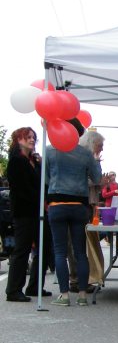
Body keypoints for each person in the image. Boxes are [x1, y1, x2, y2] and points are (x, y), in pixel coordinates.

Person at [45, 134, 102, 306]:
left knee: (60, 252)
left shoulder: (49, 150)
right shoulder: (84, 153)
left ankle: (64, 295)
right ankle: (83, 295)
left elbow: (46, 178)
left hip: (57, 203)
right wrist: (96, 160)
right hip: (79, 205)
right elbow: (97, 177)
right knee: (80, 253)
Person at [5, 127, 52, 301]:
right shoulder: (16, 161)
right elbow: (21, 188)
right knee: (22, 250)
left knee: (45, 248)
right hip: (24, 211)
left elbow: (42, 184)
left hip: (39, 210)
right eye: (28, 137)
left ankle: (35, 286)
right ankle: (13, 290)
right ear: (19, 140)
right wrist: (41, 202)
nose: (32, 140)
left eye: (33, 137)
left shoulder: (35, 161)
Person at [68, 129, 107, 293]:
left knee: (82, 242)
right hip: (80, 203)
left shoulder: (85, 156)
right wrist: (99, 179)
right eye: (100, 145)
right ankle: (77, 279)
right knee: (78, 243)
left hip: (87, 204)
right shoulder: (83, 157)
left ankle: (82, 277)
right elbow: (89, 179)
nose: (102, 149)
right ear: (92, 144)